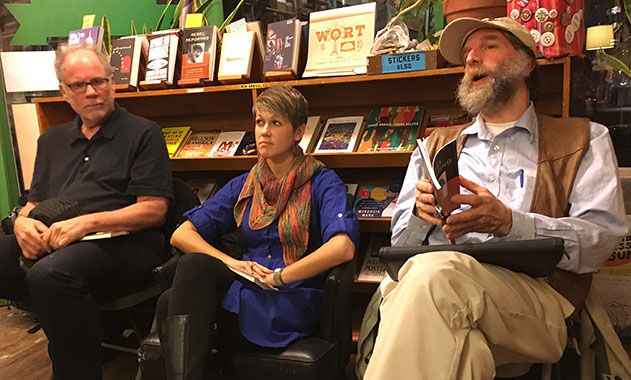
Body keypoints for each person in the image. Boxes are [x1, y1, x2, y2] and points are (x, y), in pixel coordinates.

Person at [361, 17, 629, 379]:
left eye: (488, 46)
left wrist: (510, 223)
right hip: (439, 300)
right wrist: (421, 216)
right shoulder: (433, 147)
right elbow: (399, 243)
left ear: (526, 63)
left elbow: (600, 241)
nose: (471, 58)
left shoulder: (584, 139)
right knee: (464, 351)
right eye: (467, 53)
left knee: (432, 276)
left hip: (540, 302)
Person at [159, 85, 358, 380]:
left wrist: (280, 276)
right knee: (192, 266)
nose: (263, 131)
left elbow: (343, 247)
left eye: (275, 123)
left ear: (298, 132)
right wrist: (231, 263)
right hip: (247, 283)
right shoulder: (245, 183)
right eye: (259, 122)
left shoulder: (323, 182)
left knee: (169, 305)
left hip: (292, 292)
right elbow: (182, 234)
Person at [0, 46, 173, 380]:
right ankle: (80, 331)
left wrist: (88, 223)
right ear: (64, 91)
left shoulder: (143, 132)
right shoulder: (52, 139)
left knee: (51, 275)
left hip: (127, 243)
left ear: (112, 82)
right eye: (79, 85)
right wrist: (23, 221)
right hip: (60, 240)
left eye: (99, 81)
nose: (92, 91)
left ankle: (77, 371)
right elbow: (35, 201)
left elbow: (154, 211)